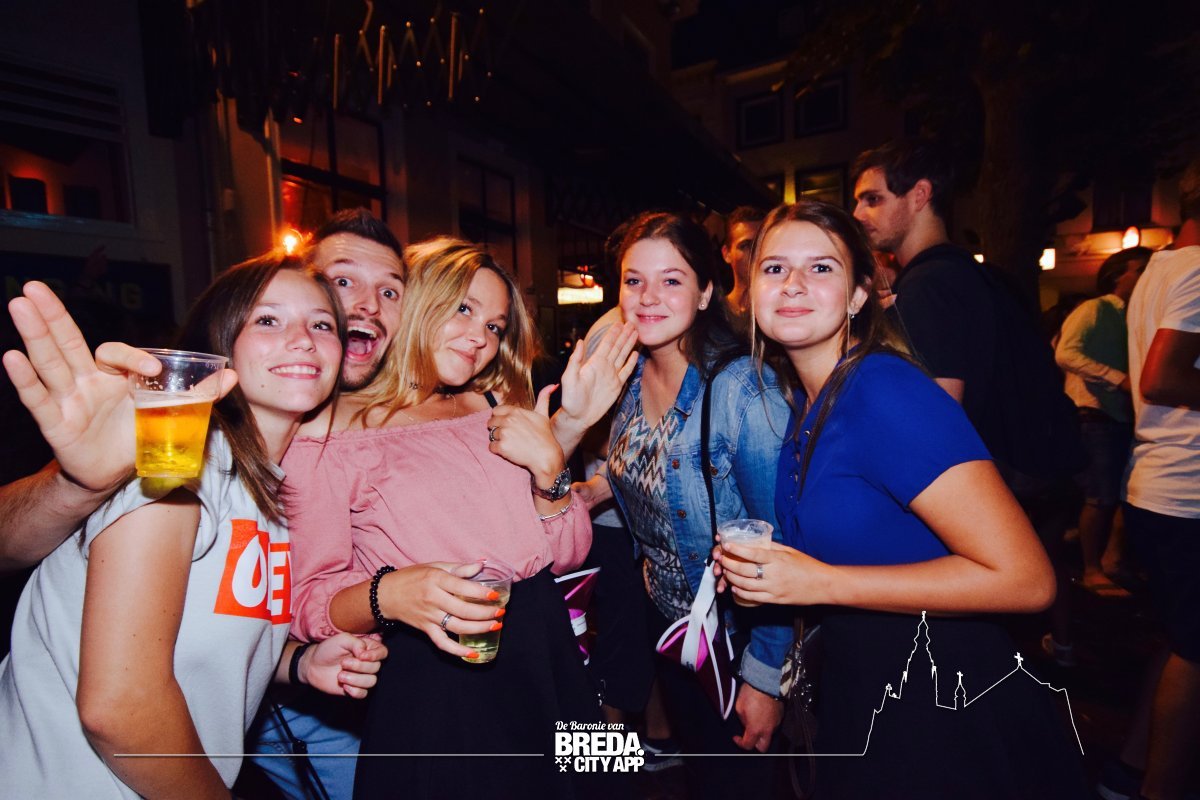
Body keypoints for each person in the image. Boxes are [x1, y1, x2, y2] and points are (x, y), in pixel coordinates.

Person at [717, 200, 1089, 798]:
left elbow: (1027, 580)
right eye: (774, 268)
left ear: (859, 295)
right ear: (750, 290)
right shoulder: (808, 398)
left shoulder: (885, 391)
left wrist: (820, 582)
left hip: (942, 703)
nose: (793, 284)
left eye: (821, 268)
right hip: (869, 688)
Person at [0, 252, 388, 798]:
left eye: (322, 325)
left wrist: (297, 663)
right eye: (267, 319)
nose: (303, 339)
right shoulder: (178, 464)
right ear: (219, 347)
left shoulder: (263, 491)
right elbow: (120, 708)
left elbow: (200, 634)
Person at [285, 238, 605, 798]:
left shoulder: (494, 404)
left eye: (495, 326)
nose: (481, 337)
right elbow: (306, 603)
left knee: (598, 784)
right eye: (463, 309)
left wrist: (552, 467)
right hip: (441, 674)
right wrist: (389, 595)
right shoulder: (327, 435)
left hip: (546, 644)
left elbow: (565, 557)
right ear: (417, 302)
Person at [574, 211, 791, 798]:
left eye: (671, 280)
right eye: (634, 280)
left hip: (734, 633)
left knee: (736, 784)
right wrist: (598, 489)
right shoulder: (626, 372)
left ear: (706, 292)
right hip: (668, 624)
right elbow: (658, 469)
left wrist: (765, 676)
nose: (648, 297)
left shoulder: (742, 388)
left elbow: (779, 543)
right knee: (699, 772)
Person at [852, 137, 1084, 674]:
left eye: (873, 199)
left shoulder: (929, 286)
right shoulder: (970, 272)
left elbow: (935, 420)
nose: (859, 213)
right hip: (1037, 471)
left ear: (920, 195)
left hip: (998, 484)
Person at [1099, 158, 1200, 800]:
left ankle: (1129, 770)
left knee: (1179, 641)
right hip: (1186, 491)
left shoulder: (1161, 268)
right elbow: (1162, 377)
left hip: (1159, 486)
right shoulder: (1197, 270)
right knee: (1195, 654)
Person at [1056, 246, 1151, 600]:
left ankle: (1111, 560)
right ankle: (1090, 569)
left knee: (1122, 494)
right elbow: (1066, 353)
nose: (1146, 276)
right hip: (1094, 414)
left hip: (1119, 415)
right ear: (1117, 275)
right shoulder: (1095, 308)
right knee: (1100, 497)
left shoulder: (1133, 315)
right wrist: (1117, 377)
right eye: (1139, 269)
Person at [722, 205, 767, 316]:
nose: (756, 251)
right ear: (727, 254)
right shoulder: (712, 314)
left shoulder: (780, 310)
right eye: (746, 246)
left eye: (762, 243)